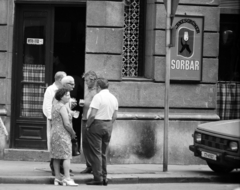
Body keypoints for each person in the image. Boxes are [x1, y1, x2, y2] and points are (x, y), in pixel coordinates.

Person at [85, 77, 118, 186]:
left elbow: (93, 114)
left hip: (97, 124)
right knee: (103, 153)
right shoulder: (113, 97)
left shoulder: (98, 97)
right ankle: (104, 176)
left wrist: (88, 125)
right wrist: (108, 125)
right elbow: (115, 116)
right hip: (108, 124)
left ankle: (98, 178)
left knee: (96, 153)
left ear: (98, 86)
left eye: (96, 87)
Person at [50, 88, 78, 186]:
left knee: (56, 156)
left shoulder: (55, 105)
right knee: (66, 156)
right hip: (63, 133)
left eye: (69, 95)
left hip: (54, 133)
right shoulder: (62, 106)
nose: (68, 97)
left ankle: (57, 178)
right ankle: (67, 178)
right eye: (66, 95)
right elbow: (66, 123)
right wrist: (73, 133)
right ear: (61, 96)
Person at [42, 71, 66, 175]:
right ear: (60, 79)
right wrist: (51, 118)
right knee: (54, 143)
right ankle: (54, 167)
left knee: (62, 143)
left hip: (62, 120)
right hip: (54, 120)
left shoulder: (63, 90)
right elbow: (47, 106)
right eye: (65, 79)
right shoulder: (50, 90)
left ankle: (62, 167)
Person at [79, 71, 98, 174]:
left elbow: (96, 106)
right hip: (84, 118)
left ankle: (93, 166)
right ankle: (89, 165)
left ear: (93, 80)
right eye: (85, 80)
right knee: (85, 144)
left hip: (90, 120)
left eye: (87, 81)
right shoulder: (87, 90)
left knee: (91, 144)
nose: (86, 83)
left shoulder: (96, 92)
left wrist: (86, 103)